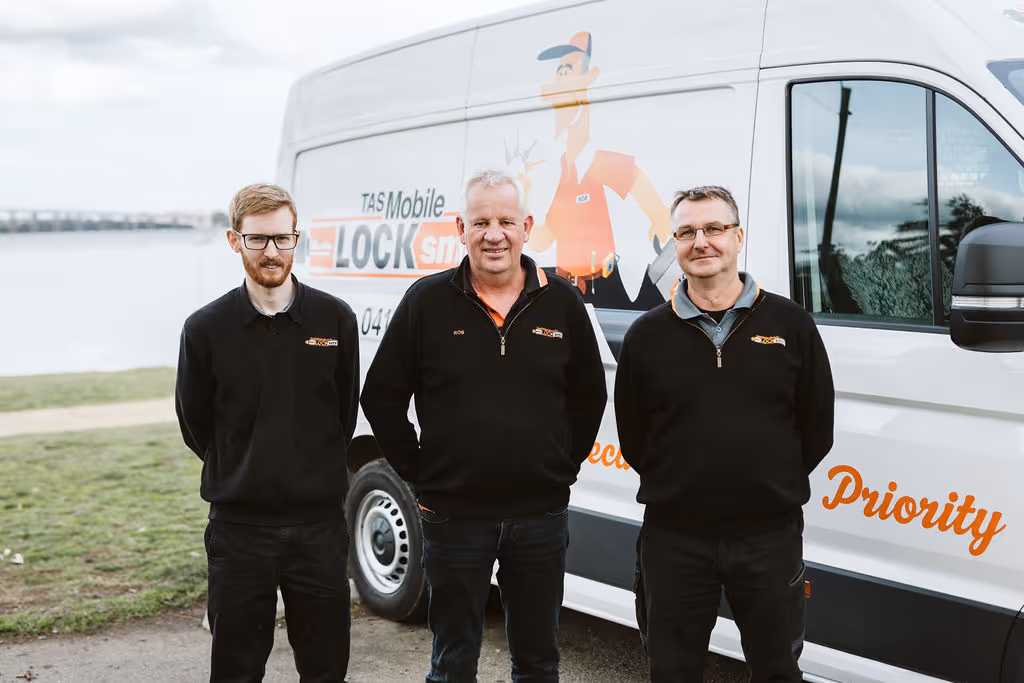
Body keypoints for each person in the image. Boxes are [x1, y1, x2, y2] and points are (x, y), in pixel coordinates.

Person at [360, 170, 607, 682]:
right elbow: (380, 396)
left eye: (506, 222)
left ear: (527, 228)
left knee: (538, 663)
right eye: (481, 222)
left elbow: (589, 395)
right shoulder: (426, 302)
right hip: (454, 516)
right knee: (453, 662)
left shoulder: (562, 302)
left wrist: (562, 466)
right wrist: (420, 472)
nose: (494, 235)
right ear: (461, 228)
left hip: (539, 515)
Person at [614, 185, 835, 682]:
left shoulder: (791, 324)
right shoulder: (647, 335)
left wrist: (765, 481)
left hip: (768, 536)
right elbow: (635, 437)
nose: (701, 242)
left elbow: (817, 426)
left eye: (714, 228)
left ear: (738, 237)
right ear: (674, 244)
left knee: (777, 670)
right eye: (687, 232)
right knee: (672, 671)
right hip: (674, 538)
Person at [175, 183, 359, 682]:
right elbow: (195, 424)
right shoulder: (205, 329)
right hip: (239, 532)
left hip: (319, 528)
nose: (272, 252)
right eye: (257, 239)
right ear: (235, 241)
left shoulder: (334, 319)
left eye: (282, 238)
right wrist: (244, 465)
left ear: (297, 238)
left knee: (325, 670)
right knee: (235, 671)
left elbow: (343, 415)